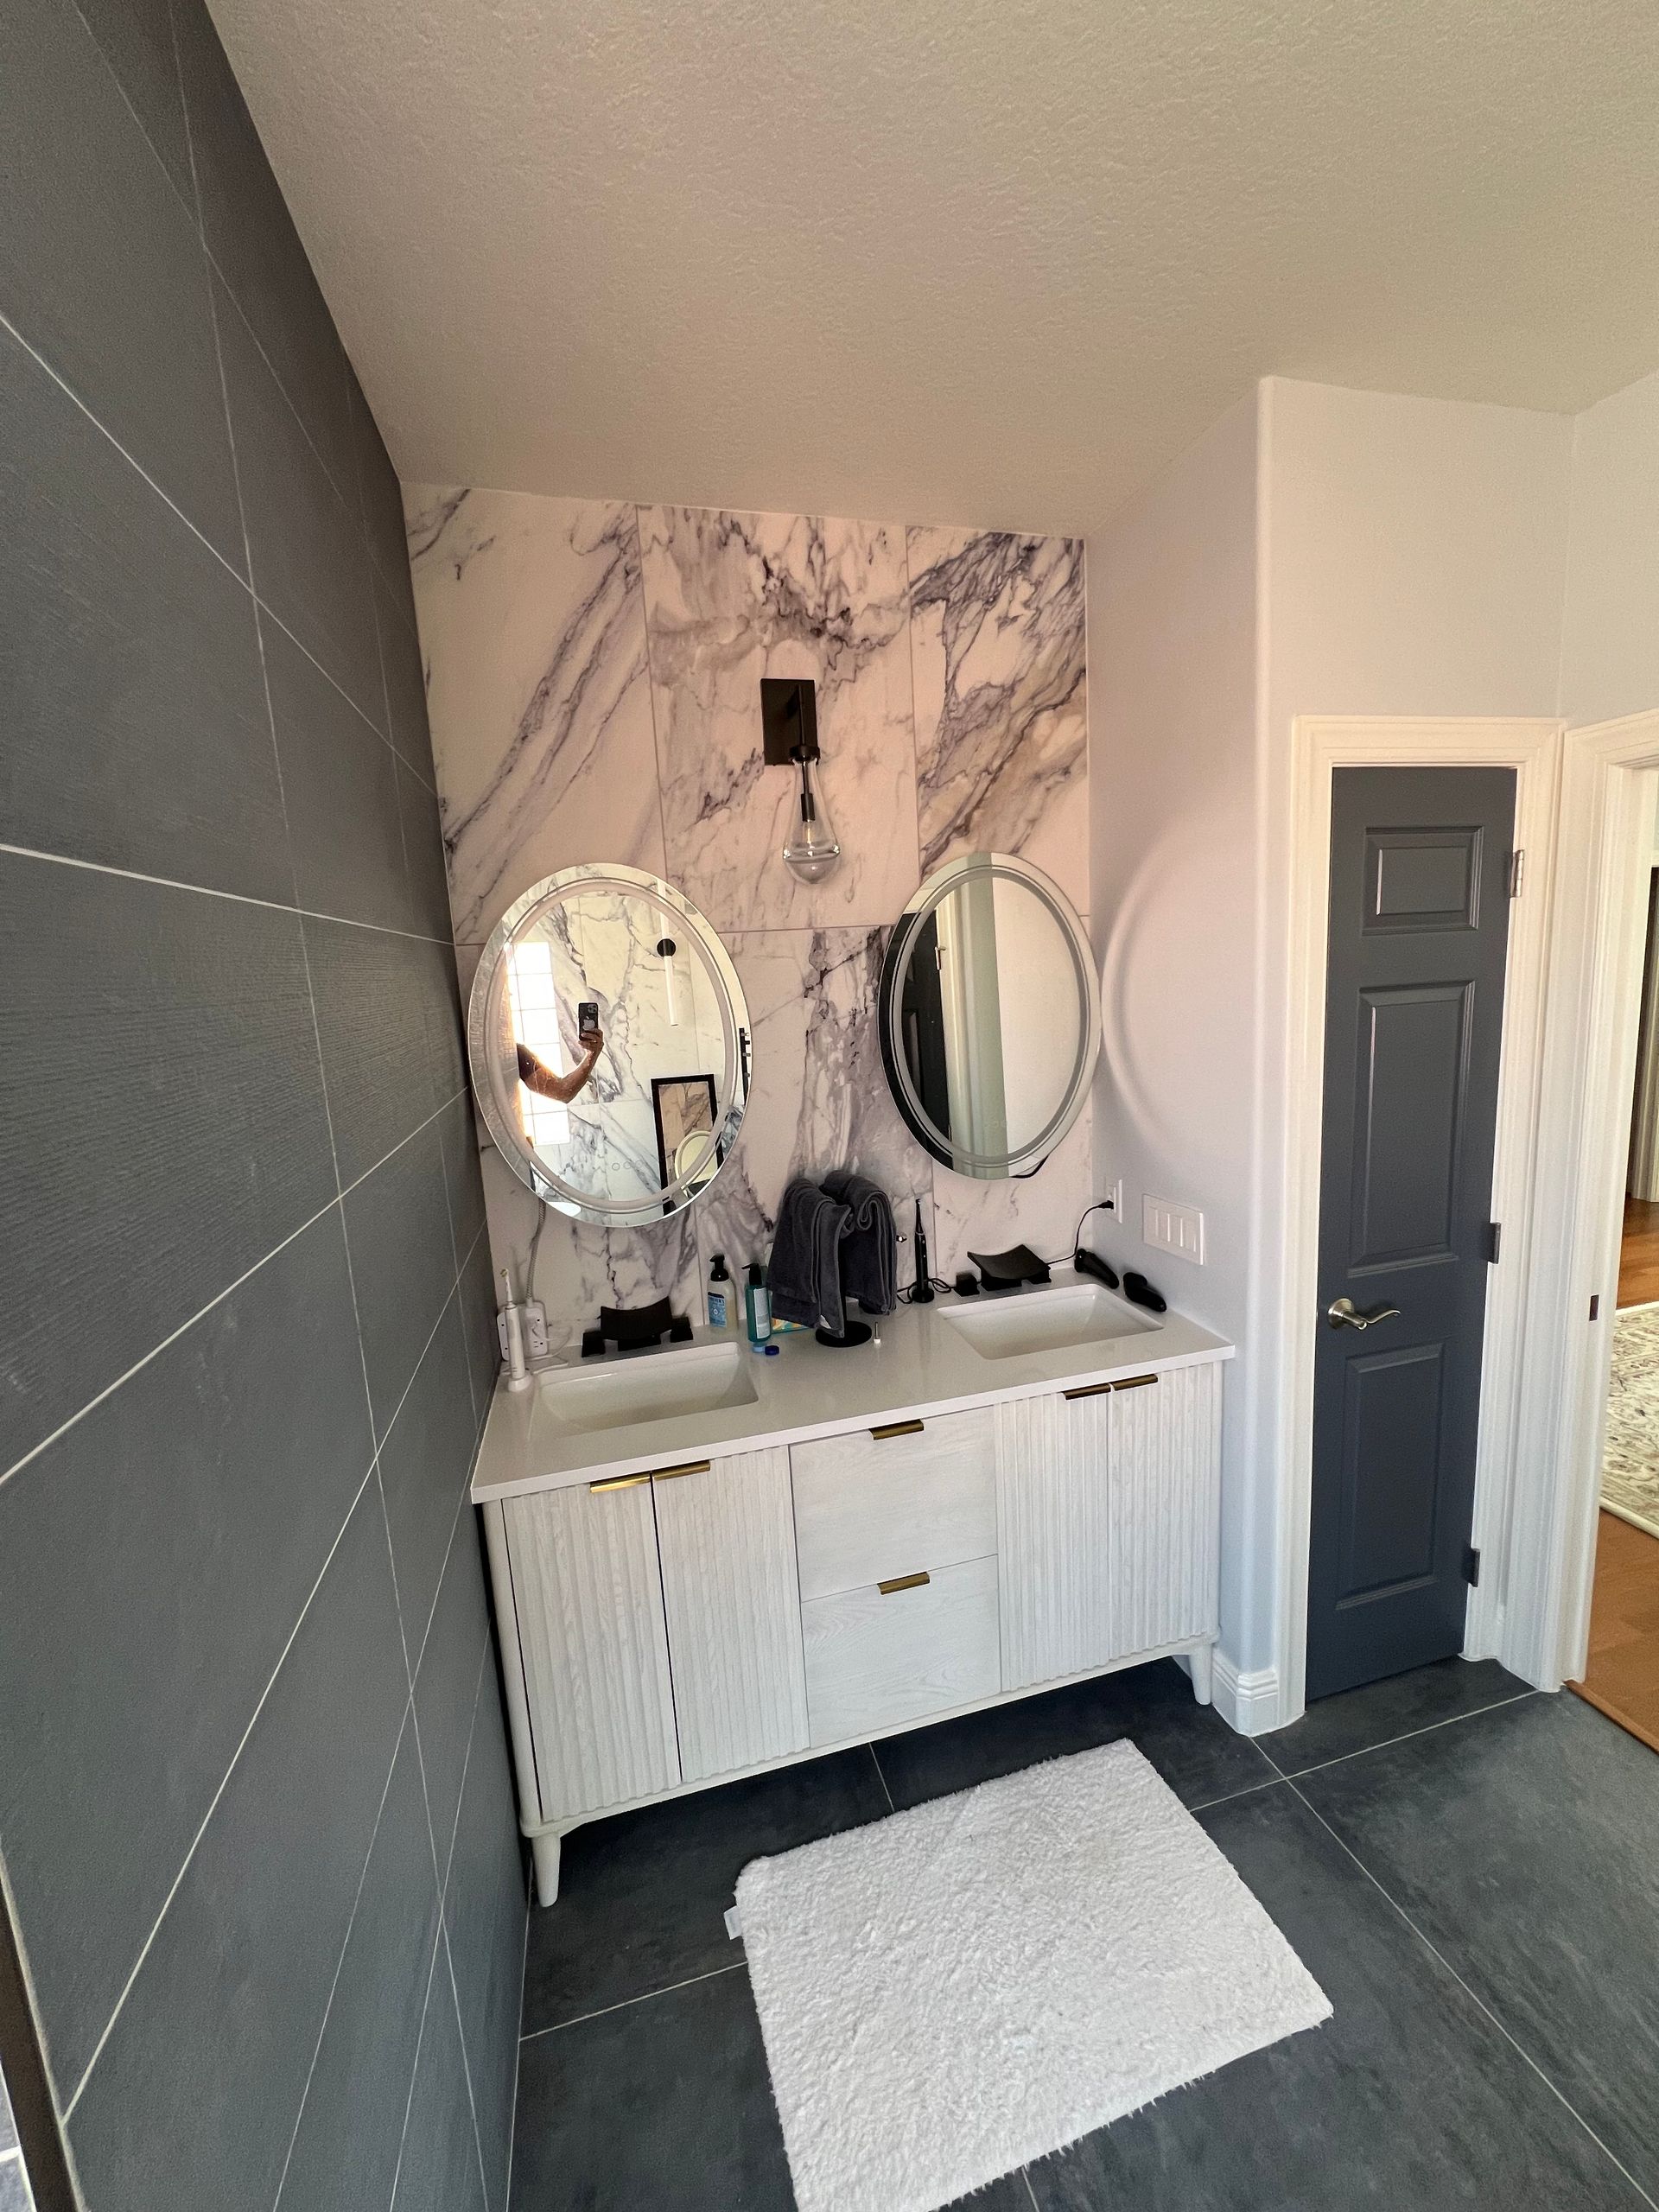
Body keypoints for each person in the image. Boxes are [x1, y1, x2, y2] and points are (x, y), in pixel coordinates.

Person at [517, 1021, 603, 1105]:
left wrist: (592, 1054)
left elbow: (563, 1091)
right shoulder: (513, 1050)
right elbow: (563, 1091)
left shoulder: (516, 1052)